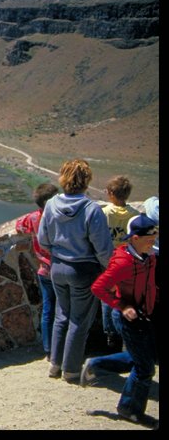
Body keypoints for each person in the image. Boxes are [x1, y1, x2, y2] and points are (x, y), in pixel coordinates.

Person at [38, 158, 113, 383]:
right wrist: (108, 268)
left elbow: (43, 239)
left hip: (57, 267)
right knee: (79, 320)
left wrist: (57, 252)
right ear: (86, 181)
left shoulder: (51, 205)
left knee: (62, 315)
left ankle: (55, 365)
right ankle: (71, 370)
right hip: (83, 269)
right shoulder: (91, 209)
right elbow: (102, 247)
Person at [85, 214, 159, 429]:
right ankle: (130, 409)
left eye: (155, 235)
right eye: (149, 236)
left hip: (146, 315)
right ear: (134, 238)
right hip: (127, 320)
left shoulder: (150, 256)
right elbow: (98, 288)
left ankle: (97, 364)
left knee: (146, 357)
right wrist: (123, 306)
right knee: (145, 368)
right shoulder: (122, 263)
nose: (153, 240)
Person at [15, 182, 60, 359]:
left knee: (48, 310)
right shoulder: (61, 217)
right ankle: (62, 348)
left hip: (44, 270)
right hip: (63, 269)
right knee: (64, 310)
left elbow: (19, 226)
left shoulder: (33, 218)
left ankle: (48, 349)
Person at [99, 176, 139, 349]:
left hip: (109, 262)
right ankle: (125, 335)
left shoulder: (104, 213)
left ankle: (110, 335)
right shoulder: (135, 216)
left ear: (111, 194)